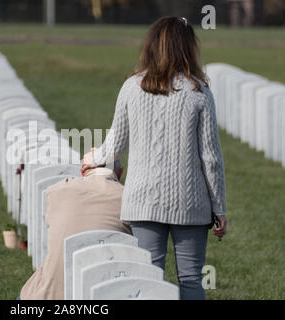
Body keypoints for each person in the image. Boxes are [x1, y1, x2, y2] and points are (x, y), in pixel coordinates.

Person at [81, 16, 227, 300]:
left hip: (143, 201)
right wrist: (219, 207)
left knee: (147, 278)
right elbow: (211, 158)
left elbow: (114, 145)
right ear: (188, 48)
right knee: (191, 279)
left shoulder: (131, 88)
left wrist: (92, 158)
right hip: (191, 203)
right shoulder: (199, 91)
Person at [19, 161, 131, 300]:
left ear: (83, 171)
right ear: (120, 173)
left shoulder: (60, 189)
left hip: (49, 294)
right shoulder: (129, 199)